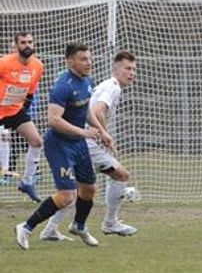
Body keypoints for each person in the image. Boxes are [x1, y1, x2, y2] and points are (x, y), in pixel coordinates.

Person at [15, 43, 112, 249]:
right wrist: (84, 132)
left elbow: (86, 111)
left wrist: (103, 132)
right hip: (59, 144)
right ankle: (26, 227)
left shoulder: (87, 80)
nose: (89, 62)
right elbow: (53, 119)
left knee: (89, 189)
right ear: (70, 61)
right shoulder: (63, 85)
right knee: (68, 195)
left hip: (78, 143)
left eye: (89, 58)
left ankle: (79, 225)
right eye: (83, 59)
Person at [41, 51, 140, 240]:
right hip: (87, 142)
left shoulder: (107, 85)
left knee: (76, 189)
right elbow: (97, 111)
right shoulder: (113, 87)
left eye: (134, 69)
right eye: (127, 68)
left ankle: (50, 229)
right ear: (115, 69)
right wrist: (104, 135)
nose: (132, 73)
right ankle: (110, 223)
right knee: (121, 175)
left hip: (84, 140)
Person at [0, 31, 46, 202]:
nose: (27, 45)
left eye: (30, 42)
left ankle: (27, 182)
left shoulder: (38, 66)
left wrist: (23, 111)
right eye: (23, 42)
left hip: (14, 111)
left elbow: (31, 92)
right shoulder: (4, 63)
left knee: (37, 141)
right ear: (16, 45)